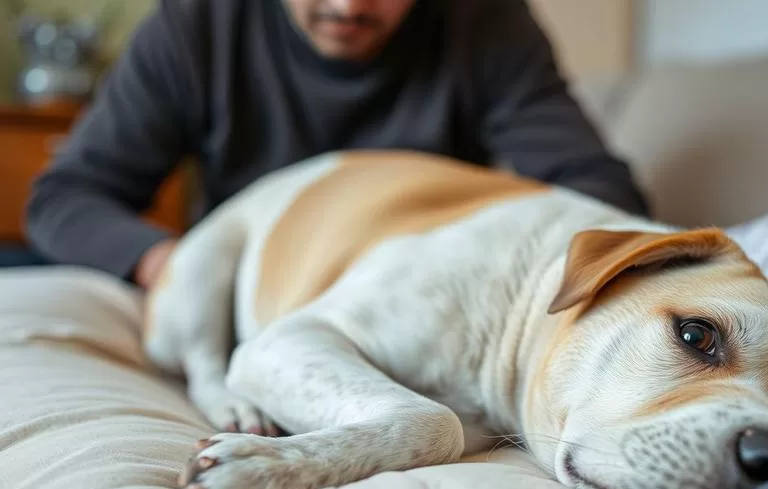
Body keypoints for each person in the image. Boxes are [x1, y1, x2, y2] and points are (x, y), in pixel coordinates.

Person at [18, 0, 651, 289]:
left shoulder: (488, 23)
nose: (349, 6)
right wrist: (176, 267)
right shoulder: (196, 24)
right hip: (246, 292)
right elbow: (64, 198)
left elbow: (602, 196)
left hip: (415, 293)